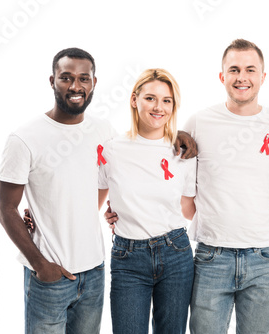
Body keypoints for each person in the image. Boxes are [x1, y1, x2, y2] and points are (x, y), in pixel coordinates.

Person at [0, 48, 197, 334]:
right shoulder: (25, 137)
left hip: (95, 270)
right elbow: (5, 207)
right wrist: (40, 263)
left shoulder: (103, 132)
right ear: (52, 80)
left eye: (83, 78)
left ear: (93, 83)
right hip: (57, 270)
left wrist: (178, 134)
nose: (76, 86)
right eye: (66, 78)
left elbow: (134, 161)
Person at [186, 39, 269, 333]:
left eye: (250, 70)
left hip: (264, 257)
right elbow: (180, 186)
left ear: (262, 77)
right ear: (222, 77)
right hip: (211, 256)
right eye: (233, 70)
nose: (241, 77)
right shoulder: (199, 122)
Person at [98, 68, 196, 334]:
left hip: (175, 253)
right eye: (150, 98)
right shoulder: (112, 149)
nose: (159, 107)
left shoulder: (184, 153)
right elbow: (92, 202)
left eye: (167, 100)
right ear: (134, 100)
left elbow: (190, 209)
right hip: (128, 257)